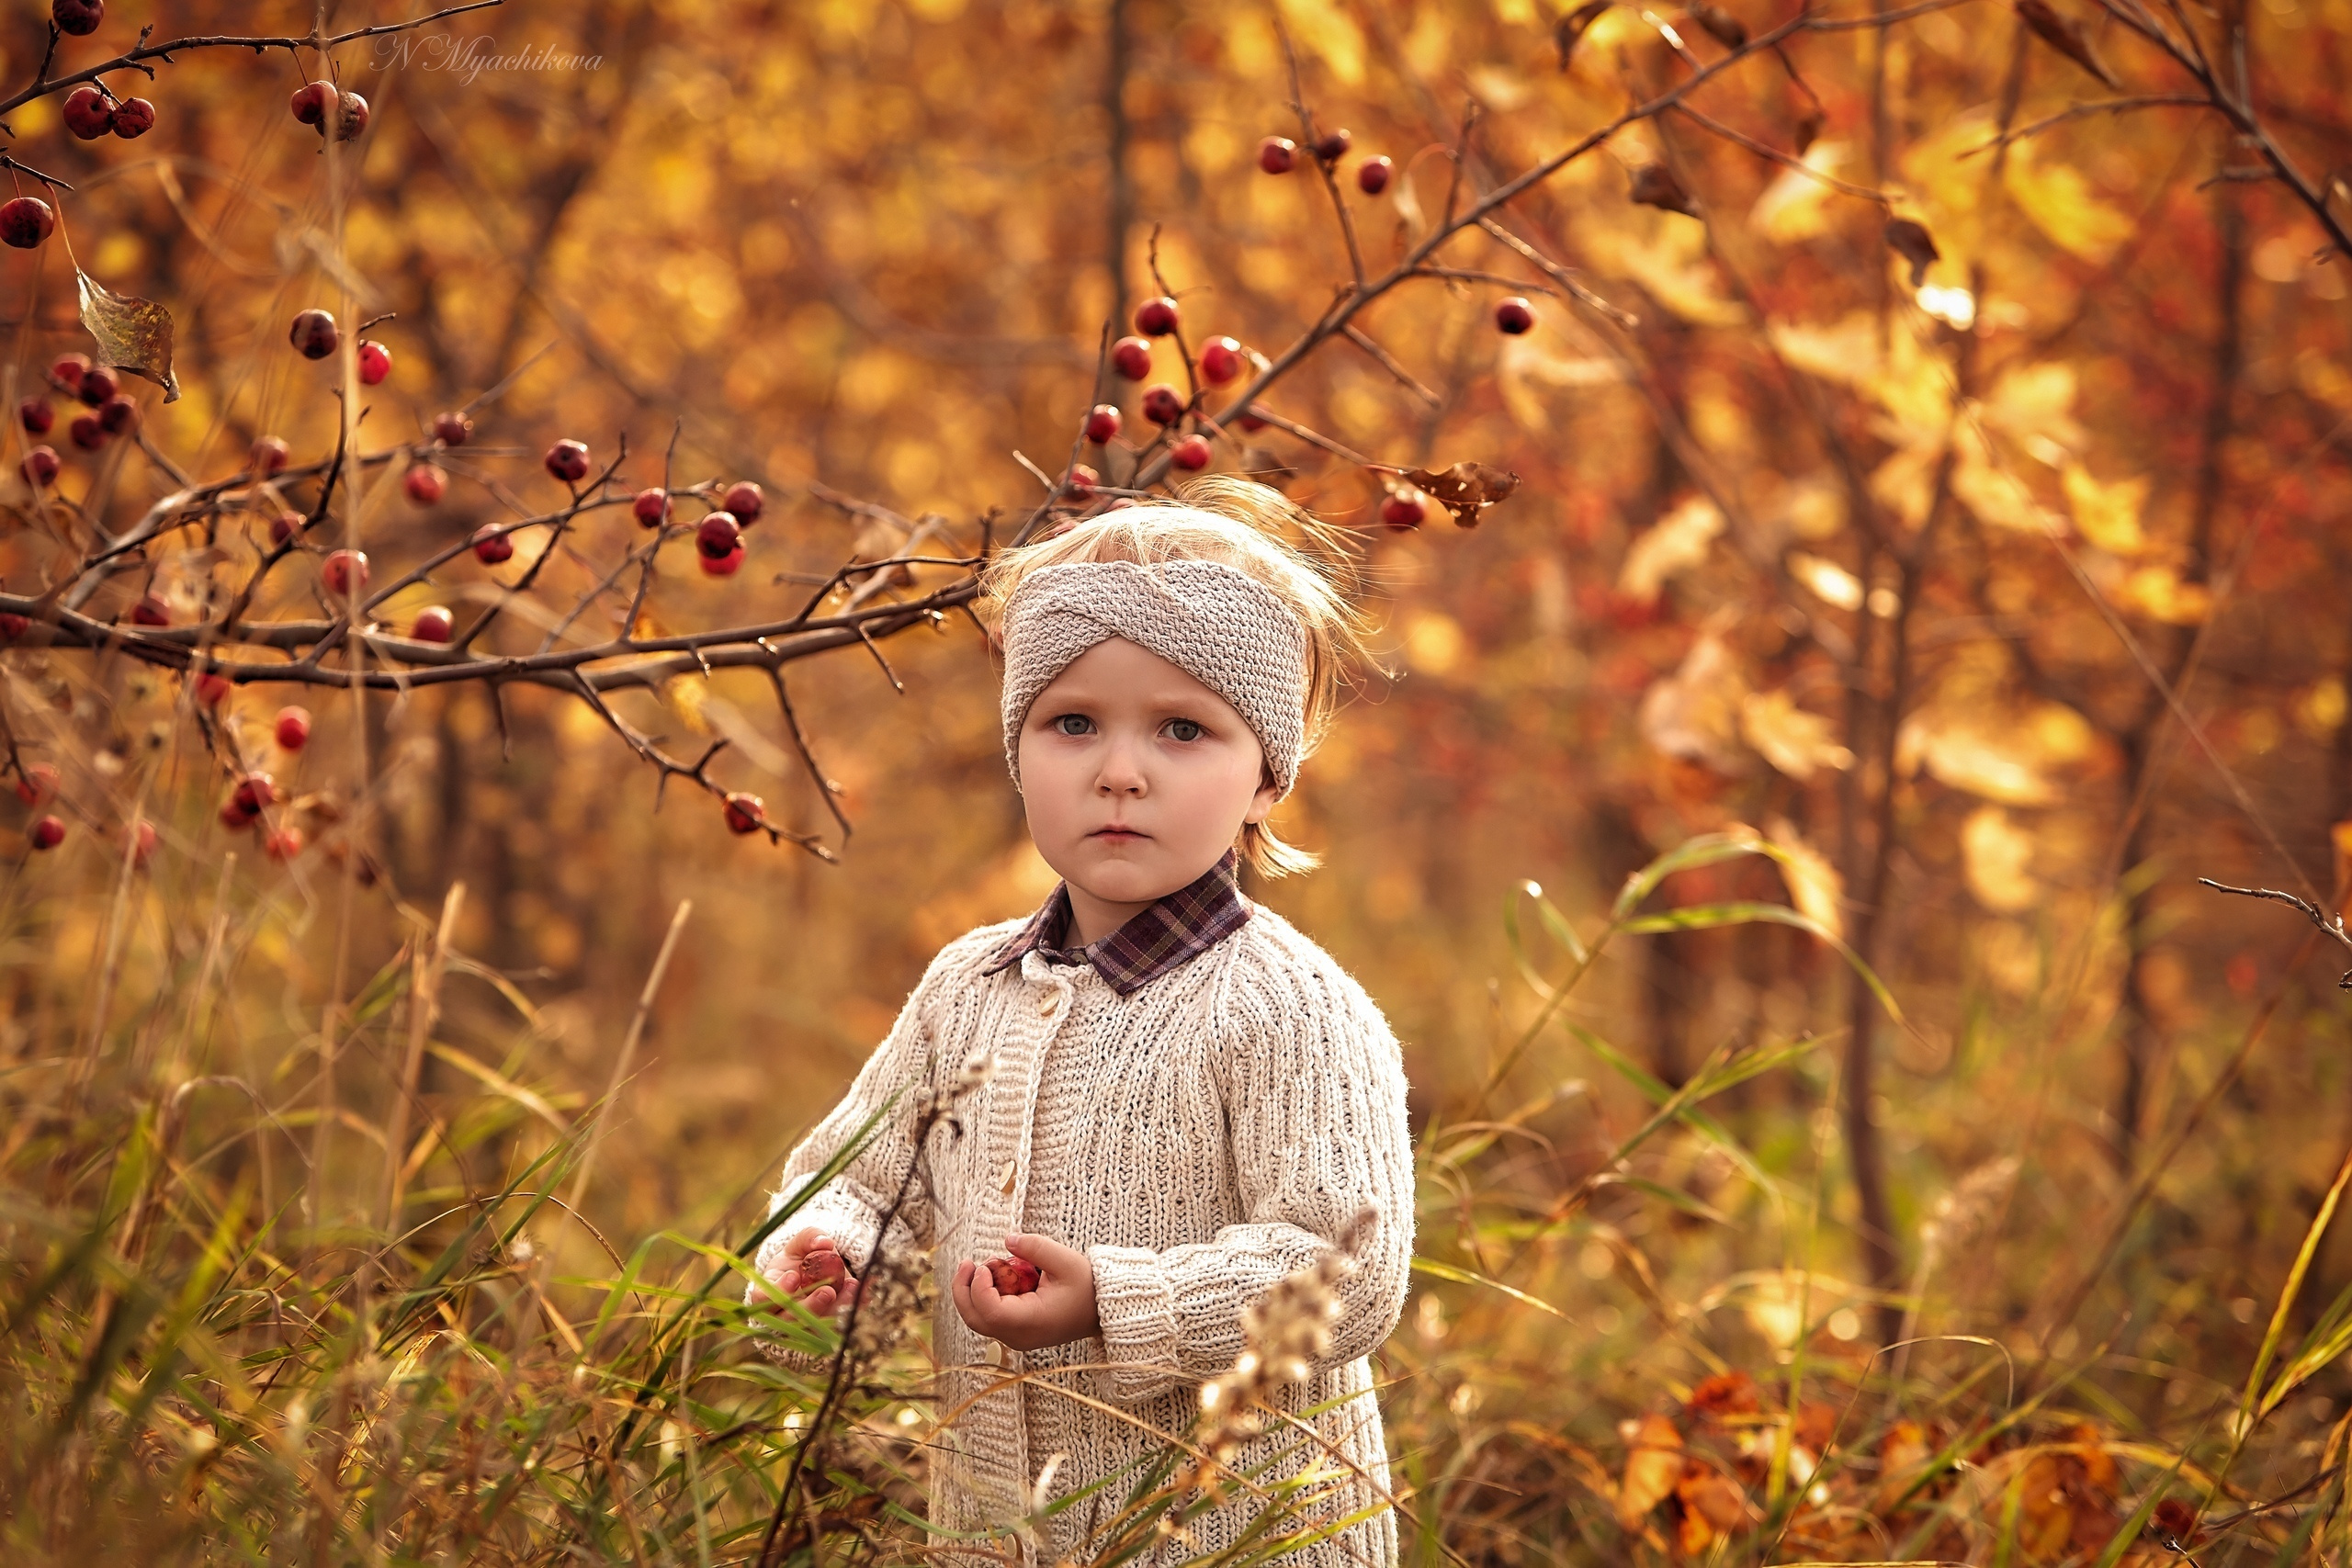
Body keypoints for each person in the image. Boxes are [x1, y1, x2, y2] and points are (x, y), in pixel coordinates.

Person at [747, 478, 1416, 1564]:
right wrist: (824, 1259)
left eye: (1183, 730)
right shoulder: (968, 987)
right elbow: (860, 1180)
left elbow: (1349, 1273)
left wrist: (1114, 1299)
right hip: (997, 1535)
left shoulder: (1290, 1008)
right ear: (1019, 752)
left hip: (1239, 1540)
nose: (1119, 771)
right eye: (1072, 723)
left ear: (1267, 778)